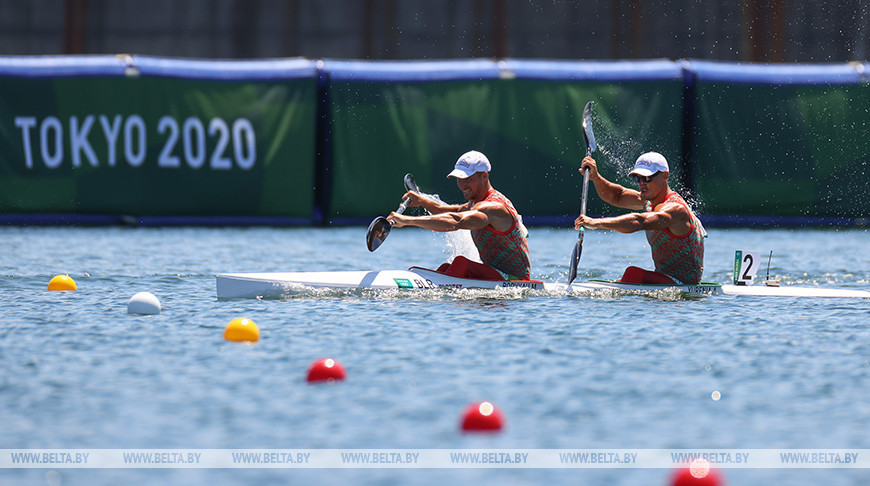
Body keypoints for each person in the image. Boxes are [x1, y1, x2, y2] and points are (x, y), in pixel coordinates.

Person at [387, 150, 531, 280]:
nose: (462, 185)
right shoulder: (476, 203)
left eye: (467, 179)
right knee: (446, 267)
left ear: (484, 176)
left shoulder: (494, 207)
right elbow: (452, 211)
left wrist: (407, 220)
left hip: (514, 279)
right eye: (459, 179)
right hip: (494, 274)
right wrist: (423, 201)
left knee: (461, 263)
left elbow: (456, 221)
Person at [573, 151, 706, 285]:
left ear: (664, 176)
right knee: (632, 275)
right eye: (638, 178)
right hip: (663, 280)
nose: (642, 183)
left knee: (633, 273)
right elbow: (617, 196)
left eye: (647, 178)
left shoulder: (676, 210)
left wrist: (595, 223)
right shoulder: (649, 201)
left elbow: (641, 221)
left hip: (684, 284)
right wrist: (596, 177)